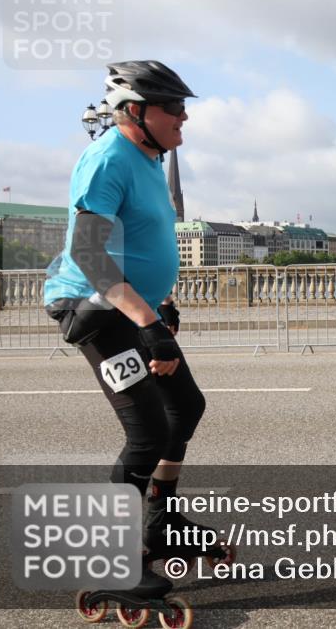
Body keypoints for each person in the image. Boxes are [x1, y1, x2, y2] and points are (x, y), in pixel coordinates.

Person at [44, 61, 227, 583]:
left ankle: (159, 521)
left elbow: (144, 240)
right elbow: (89, 253)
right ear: (134, 112)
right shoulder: (107, 159)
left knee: (186, 406)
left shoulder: (149, 159)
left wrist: (159, 303)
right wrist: (148, 324)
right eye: (173, 107)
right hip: (96, 311)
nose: (184, 117)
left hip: (132, 306)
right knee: (147, 432)